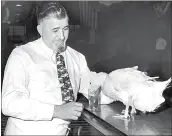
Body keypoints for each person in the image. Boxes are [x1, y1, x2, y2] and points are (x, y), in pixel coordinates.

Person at [2, 2, 112, 135]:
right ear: (40, 30)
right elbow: (9, 103)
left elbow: (95, 94)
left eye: (65, 28)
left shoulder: (77, 58)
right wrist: (57, 111)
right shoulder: (22, 55)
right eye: (55, 30)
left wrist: (121, 86)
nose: (62, 36)